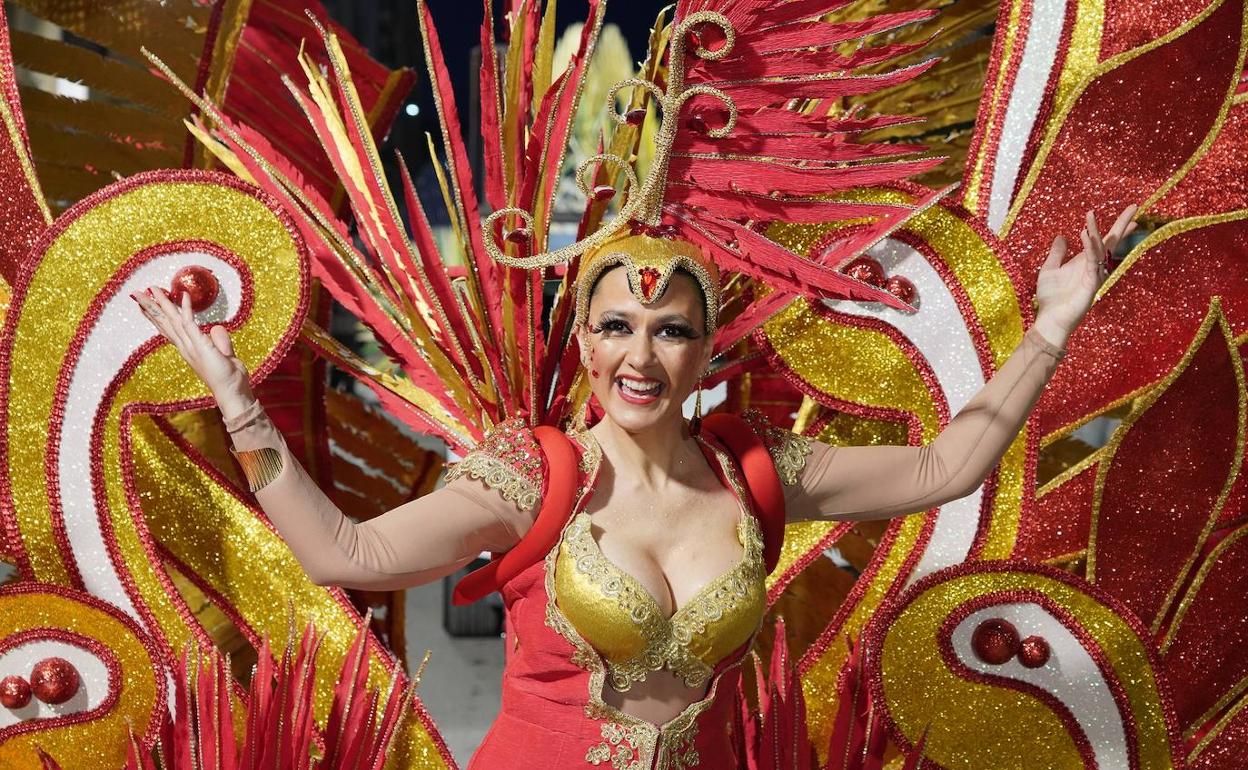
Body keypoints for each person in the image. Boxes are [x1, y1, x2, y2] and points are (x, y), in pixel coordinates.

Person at [132, 204, 1135, 768]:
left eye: (669, 329)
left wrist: (1051, 325)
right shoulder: (532, 476)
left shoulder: (758, 472)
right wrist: (238, 401)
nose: (640, 353)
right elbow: (339, 554)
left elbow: (943, 467)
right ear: (583, 344)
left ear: (706, 352)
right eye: (616, 326)